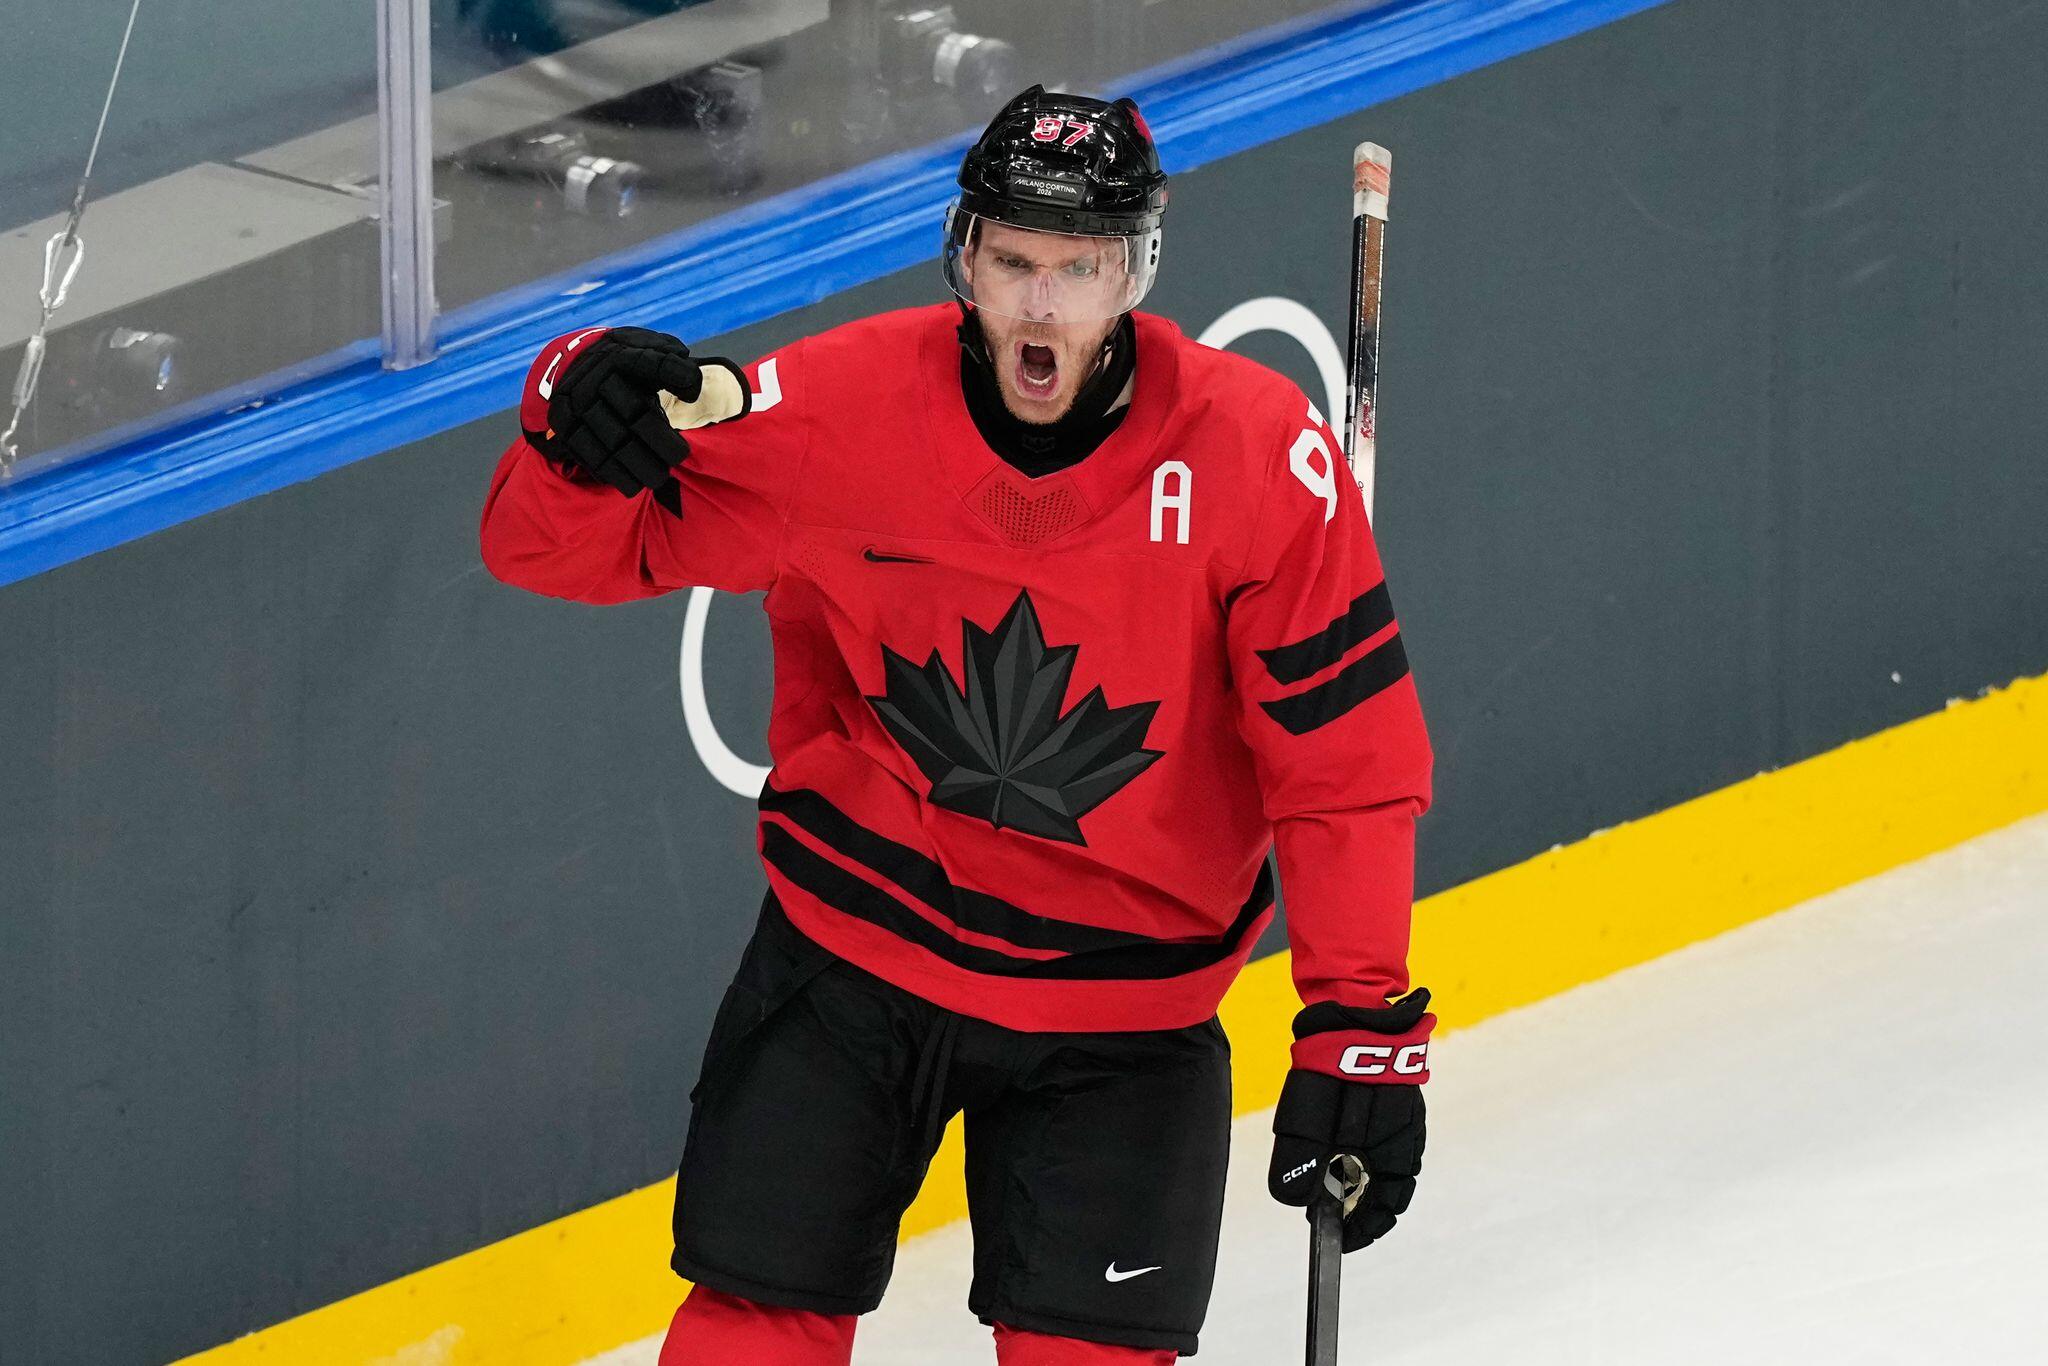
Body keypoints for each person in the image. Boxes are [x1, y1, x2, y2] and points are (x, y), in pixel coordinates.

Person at [480, 85, 1434, 1366]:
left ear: (1136, 270)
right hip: (853, 959)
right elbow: (548, 552)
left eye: (1078, 267)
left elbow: (1343, 767)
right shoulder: (838, 406)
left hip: (1122, 1014)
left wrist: (1354, 1019)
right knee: (751, 1329)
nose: (1041, 306)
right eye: (1012, 262)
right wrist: (566, 433)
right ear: (962, 256)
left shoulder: (1259, 459)